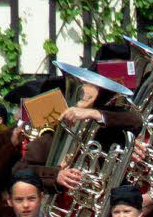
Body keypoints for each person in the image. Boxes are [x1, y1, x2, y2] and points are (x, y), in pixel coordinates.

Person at [16, 42, 140, 196]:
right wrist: (56, 175)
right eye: (82, 87)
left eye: (91, 89)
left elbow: (136, 120)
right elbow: (19, 170)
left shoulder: (107, 128)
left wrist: (94, 113)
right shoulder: (52, 136)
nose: (84, 93)